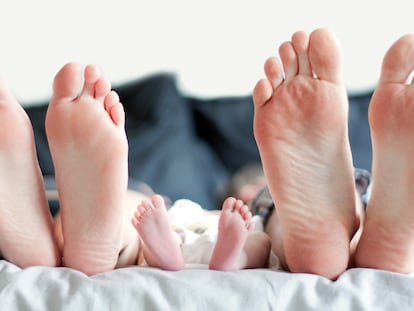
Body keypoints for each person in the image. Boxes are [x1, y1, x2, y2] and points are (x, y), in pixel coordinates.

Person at [0, 62, 271, 275]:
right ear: (248, 190)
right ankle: (86, 240)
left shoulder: (243, 221)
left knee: (128, 211)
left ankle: (45, 248)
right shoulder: (226, 208)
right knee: (130, 209)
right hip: (159, 216)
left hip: (157, 226)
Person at [252, 28, 414, 280]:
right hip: (361, 189)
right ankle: (382, 239)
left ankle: (326, 241)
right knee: (358, 208)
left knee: (270, 217)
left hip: (271, 197)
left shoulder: (242, 182)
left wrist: (241, 197)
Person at [131, 194, 271, 271]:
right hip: (195, 241)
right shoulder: (239, 218)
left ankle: (165, 256)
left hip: (184, 244)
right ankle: (235, 259)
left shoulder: (186, 213)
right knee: (262, 240)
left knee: (168, 237)